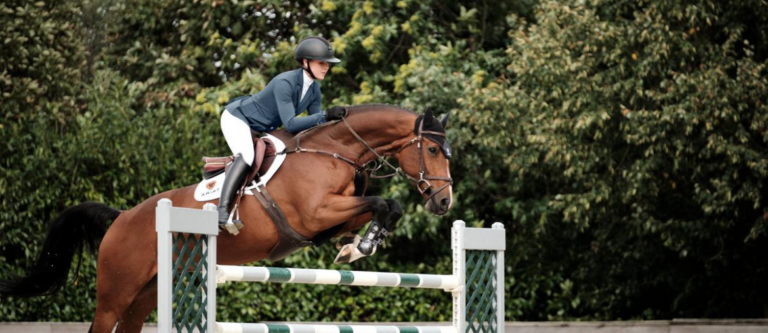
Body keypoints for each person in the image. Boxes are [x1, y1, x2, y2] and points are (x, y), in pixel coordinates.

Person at [217, 36, 348, 227]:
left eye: (327, 63)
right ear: (305, 62)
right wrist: (326, 115)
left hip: (262, 128)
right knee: (247, 155)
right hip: (238, 118)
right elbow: (291, 125)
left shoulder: (314, 90)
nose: (326, 67)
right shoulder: (284, 82)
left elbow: (316, 128)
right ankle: (222, 211)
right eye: (321, 63)